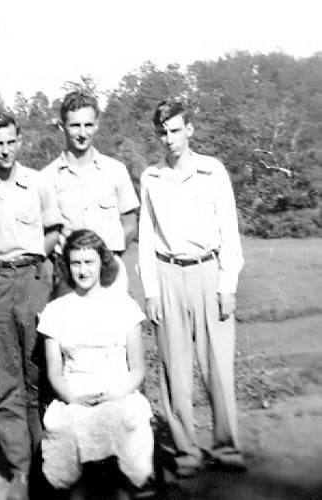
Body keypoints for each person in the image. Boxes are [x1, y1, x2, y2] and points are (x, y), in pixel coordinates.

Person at [138, 98, 245, 478]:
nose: (169, 139)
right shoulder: (151, 177)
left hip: (208, 271)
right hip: (168, 275)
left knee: (217, 365)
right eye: (163, 132)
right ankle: (185, 452)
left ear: (189, 130)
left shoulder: (212, 172)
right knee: (174, 370)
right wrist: (151, 290)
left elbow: (230, 232)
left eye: (175, 130)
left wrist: (227, 284)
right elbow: (146, 236)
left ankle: (226, 446)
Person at [0, 112, 61, 500]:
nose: (5, 150)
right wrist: (1, 273)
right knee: (7, 382)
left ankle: (46, 463)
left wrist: (36, 269)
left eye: (11, 141)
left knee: (40, 376)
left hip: (35, 278)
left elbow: (53, 232)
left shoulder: (38, 183)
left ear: (20, 141)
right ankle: (20, 470)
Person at [37, 229, 154, 499]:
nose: (83, 270)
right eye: (76, 263)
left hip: (117, 389)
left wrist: (118, 393)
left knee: (122, 417)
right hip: (75, 392)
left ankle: (127, 486)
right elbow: (54, 372)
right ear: (67, 266)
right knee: (68, 425)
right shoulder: (57, 310)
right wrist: (73, 399)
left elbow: (137, 368)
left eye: (89, 262)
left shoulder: (123, 305)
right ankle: (79, 488)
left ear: (103, 262)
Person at [40, 90, 139, 296]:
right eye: (75, 125)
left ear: (97, 125)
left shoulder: (115, 170)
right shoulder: (46, 177)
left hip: (110, 275)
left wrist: (109, 258)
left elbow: (130, 221)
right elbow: (44, 234)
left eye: (88, 125)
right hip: (68, 277)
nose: (82, 133)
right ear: (62, 126)